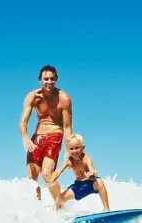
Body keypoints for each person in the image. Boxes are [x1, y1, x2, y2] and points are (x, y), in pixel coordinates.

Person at [18, 65, 73, 202]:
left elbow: (67, 127)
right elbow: (23, 122)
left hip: (55, 135)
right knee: (31, 178)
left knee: (47, 174)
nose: (49, 82)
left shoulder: (64, 98)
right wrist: (25, 138)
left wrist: (68, 149)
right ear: (40, 80)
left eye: (52, 79)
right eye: (46, 79)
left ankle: (60, 205)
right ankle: (36, 208)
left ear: (56, 79)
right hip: (38, 137)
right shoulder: (33, 97)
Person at [49, 134, 110, 212]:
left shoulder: (87, 159)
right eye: (71, 149)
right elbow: (58, 171)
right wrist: (51, 180)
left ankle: (106, 208)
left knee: (99, 181)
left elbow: (92, 170)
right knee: (60, 198)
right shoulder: (69, 161)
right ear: (67, 150)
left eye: (77, 148)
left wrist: (91, 175)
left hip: (90, 183)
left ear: (83, 147)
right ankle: (56, 213)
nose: (74, 151)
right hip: (79, 186)